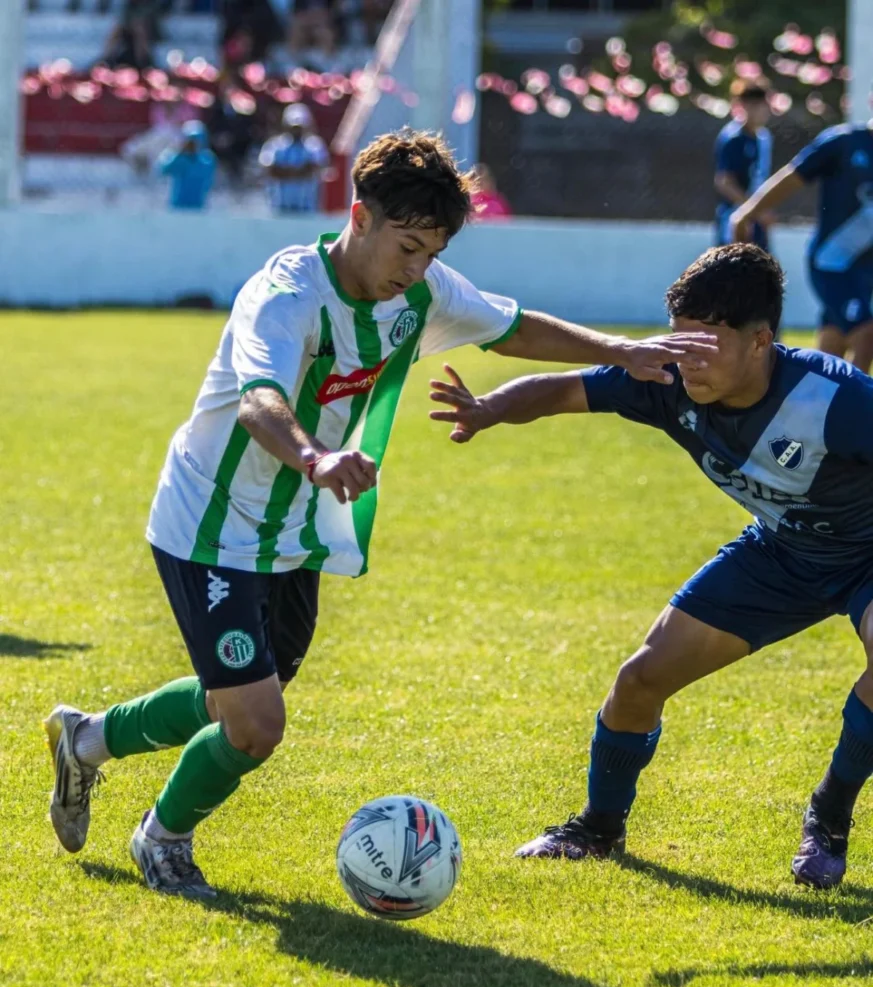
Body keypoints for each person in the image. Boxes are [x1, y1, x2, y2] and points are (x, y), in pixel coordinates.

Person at [42, 129, 714, 899]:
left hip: (293, 528)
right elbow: (259, 399)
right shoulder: (286, 294)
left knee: (242, 691)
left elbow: (509, 323)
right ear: (358, 217)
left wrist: (617, 349)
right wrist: (317, 459)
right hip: (211, 523)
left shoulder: (419, 292)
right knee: (255, 724)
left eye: (431, 252)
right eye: (407, 247)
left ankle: (86, 739)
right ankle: (161, 839)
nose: (418, 270)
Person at [429, 243, 873, 890]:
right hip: (779, 556)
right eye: (679, 337)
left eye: (707, 341)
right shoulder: (663, 377)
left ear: (760, 341)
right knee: (639, 681)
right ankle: (597, 828)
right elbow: (561, 391)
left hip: (865, 558)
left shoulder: (837, 398)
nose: (685, 355)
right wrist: (489, 409)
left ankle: (828, 814)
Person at [732, 115, 873, 374]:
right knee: (866, 333)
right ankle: (857, 410)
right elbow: (792, 176)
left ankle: (811, 405)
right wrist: (748, 212)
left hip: (866, 270)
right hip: (833, 263)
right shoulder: (844, 142)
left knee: (833, 346)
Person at [713, 80, 773, 250]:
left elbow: (761, 177)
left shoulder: (764, 138)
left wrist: (764, 208)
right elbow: (724, 181)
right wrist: (752, 209)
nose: (764, 111)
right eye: (758, 105)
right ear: (746, 106)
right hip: (735, 217)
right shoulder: (733, 139)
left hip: (757, 219)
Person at [258, 104, 330, 215]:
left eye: (299, 127)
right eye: (293, 127)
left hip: (307, 208)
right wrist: (298, 171)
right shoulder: (275, 145)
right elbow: (269, 169)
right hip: (278, 207)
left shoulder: (315, 145)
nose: (296, 130)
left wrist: (285, 171)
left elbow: (314, 168)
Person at [157, 120, 216, 211]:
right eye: (189, 140)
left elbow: (207, 175)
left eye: (195, 140)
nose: (192, 144)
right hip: (177, 207)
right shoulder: (176, 157)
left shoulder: (207, 159)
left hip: (198, 208)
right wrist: (179, 154)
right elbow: (162, 170)